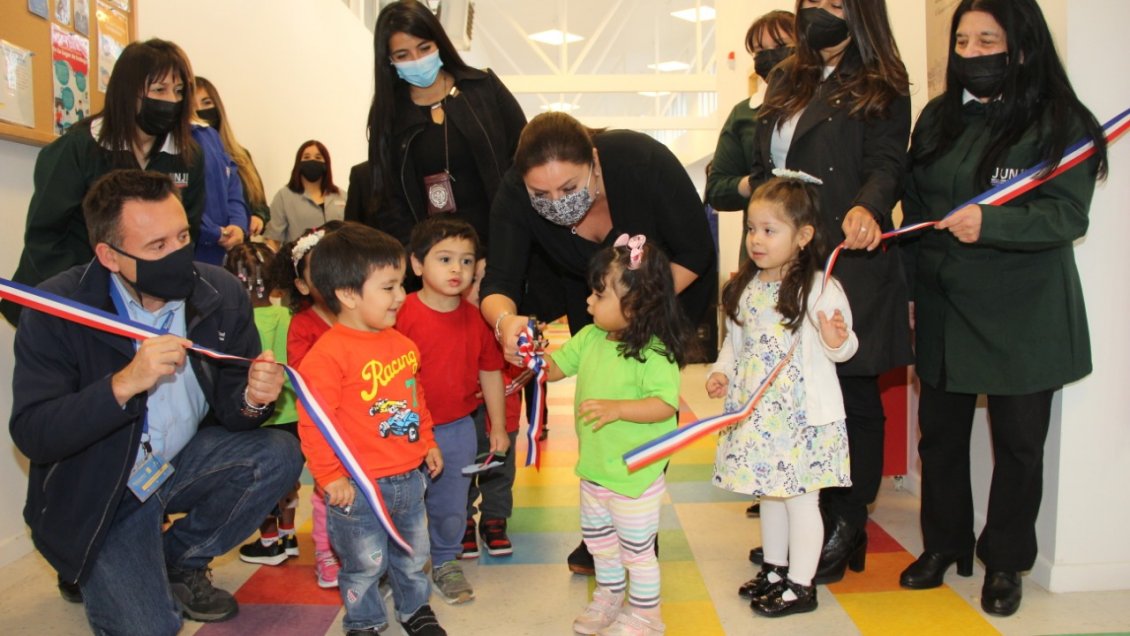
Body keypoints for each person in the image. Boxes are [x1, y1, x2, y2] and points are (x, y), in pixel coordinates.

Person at [9, 169, 304, 635]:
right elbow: (34, 434)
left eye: (182, 235)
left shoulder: (218, 292)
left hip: (177, 464)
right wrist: (123, 384)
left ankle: (176, 560)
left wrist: (253, 398)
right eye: (156, 247)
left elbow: (234, 410)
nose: (179, 256)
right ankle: (90, 558)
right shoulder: (57, 310)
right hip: (102, 491)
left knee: (278, 454)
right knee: (150, 628)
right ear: (108, 255)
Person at [898, 0, 1108, 617]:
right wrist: (911, 292)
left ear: (1021, 44)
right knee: (939, 437)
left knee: (1019, 444)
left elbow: (1067, 214)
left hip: (1025, 311)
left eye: (987, 40)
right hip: (944, 302)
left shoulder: (1062, 121)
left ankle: (1008, 561)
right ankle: (944, 545)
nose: (971, 54)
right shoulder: (938, 118)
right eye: (962, 41)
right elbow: (914, 211)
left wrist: (991, 221)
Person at [479, 110, 717, 574]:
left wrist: (635, 307)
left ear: (592, 161)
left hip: (669, 289)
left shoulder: (640, 161)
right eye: (541, 195)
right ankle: (602, 525)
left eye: (568, 189)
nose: (556, 202)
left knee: (644, 404)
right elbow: (500, 280)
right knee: (601, 399)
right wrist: (505, 321)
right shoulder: (513, 193)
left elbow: (695, 250)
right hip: (587, 295)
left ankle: (637, 526)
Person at [745, 0, 913, 581]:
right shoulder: (789, 75)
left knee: (849, 394)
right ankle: (804, 521)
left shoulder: (882, 82)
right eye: (812, 0)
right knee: (793, 393)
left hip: (849, 255)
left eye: (837, 2)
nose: (821, 11)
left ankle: (848, 523)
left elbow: (889, 161)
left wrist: (870, 205)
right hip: (791, 257)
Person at [707, 174, 857, 618]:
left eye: (769, 230)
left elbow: (846, 348)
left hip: (801, 420)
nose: (756, 239)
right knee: (769, 494)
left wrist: (836, 339)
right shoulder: (748, 288)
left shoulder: (819, 287)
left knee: (800, 499)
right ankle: (774, 569)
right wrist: (721, 372)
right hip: (759, 419)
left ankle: (802, 584)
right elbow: (734, 343)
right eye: (752, 228)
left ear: (803, 236)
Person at [297, 223, 446, 636]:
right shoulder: (326, 357)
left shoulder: (402, 345)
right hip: (358, 488)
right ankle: (363, 621)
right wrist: (329, 476)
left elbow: (416, 400)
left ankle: (415, 609)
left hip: (409, 479)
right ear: (347, 295)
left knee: (414, 554)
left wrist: (428, 440)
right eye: (389, 287)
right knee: (364, 563)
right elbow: (314, 423)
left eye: (401, 284)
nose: (401, 296)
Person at [541, 237, 692, 635]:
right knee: (600, 544)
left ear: (637, 303)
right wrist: (532, 358)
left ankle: (646, 615)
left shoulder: (654, 351)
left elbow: (665, 404)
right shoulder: (590, 338)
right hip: (594, 469)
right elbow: (556, 367)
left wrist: (618, 408)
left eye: (598, 293)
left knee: (637, 551)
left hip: (635, 475)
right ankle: (609, 597)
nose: (589, 302)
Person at [2, 38, 205, 327]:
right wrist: (89, 296)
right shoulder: (77, 149)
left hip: (141, 299)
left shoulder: (189, 157)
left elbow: (188, 231)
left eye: (179, 91)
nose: (171, 101)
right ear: (127, 92)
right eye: (159, 90)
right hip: (67, 296)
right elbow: (45, 237)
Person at [395, 216, 507, 604]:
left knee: (450, 506)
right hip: (404, 431)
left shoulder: (478, 319)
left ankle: (444, 561)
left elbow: (490, 371)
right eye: (444, 259)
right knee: (402, 504)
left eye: (466, 260)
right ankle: (401, 566)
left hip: (458, 428)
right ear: (416, 264)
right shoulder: (398, 315)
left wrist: (498, 428)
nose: (457, 269)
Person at [365, 0, 526, 250]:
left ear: (439, 42)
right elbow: (388, 199)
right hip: (433, 259)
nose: (417, 60)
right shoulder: (388, 116)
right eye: (402, 55)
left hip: (501, 243)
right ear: (389, 60)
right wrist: (418, 256)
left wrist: (512, 241)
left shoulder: (483, 87)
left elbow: (523, 157)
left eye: (424, 48)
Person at [267, 221, 345, 587]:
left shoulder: (362, 316)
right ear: (301, 284)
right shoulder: (303, 325)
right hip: (327, 425)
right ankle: (327, 554)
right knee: (328, 489)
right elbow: (304, 377)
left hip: (363, 422)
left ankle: (363, 549)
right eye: (321, 271)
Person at [222, 242, 302, 566]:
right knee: (290, 476)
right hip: (293, 413)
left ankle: (269, 541)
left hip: (259, 416)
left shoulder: (237, 323)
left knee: (264, 478)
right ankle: (289, 533)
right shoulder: (288, 314)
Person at [462, 256, 527, 559]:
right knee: (462, 467)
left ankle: (494, 520)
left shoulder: (511, 323)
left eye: (487, 281)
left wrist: (509, 381)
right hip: (466, 413)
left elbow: (526, 367)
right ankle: (461, 520)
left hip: (506, 410)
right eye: (473, 280)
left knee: (500, 469)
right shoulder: (458, 321)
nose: (479, 289)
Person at [705, 10, 796, 216]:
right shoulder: (743, 114)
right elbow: (717, 190)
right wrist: (754, 183)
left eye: (780, 46)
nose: (770, 55)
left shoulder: (824, 105)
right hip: (763, 235)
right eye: (760, 50)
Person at [195, 76, 271, 236]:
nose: (200, 110)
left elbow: (260, 203)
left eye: (206, 102)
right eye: (192, 106)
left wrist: (258, 217)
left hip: (240, 249)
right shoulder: (187, 157)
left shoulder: (241, 156)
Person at [264, 140, 346, 250]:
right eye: (306, 157)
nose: (312, 161)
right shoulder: (284, 196)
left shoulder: (341, 196)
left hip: (338, 263)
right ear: (298, 163)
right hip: (299, 264)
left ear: (326, 164)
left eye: (318, 158)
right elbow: (273, 240)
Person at [190, 120, 248, 265]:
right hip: (191, 251)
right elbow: (178, 199)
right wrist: (212, 232)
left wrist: (238, 224)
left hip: (222, 252)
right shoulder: (168, 139)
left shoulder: (210, 135)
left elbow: (232, 184)